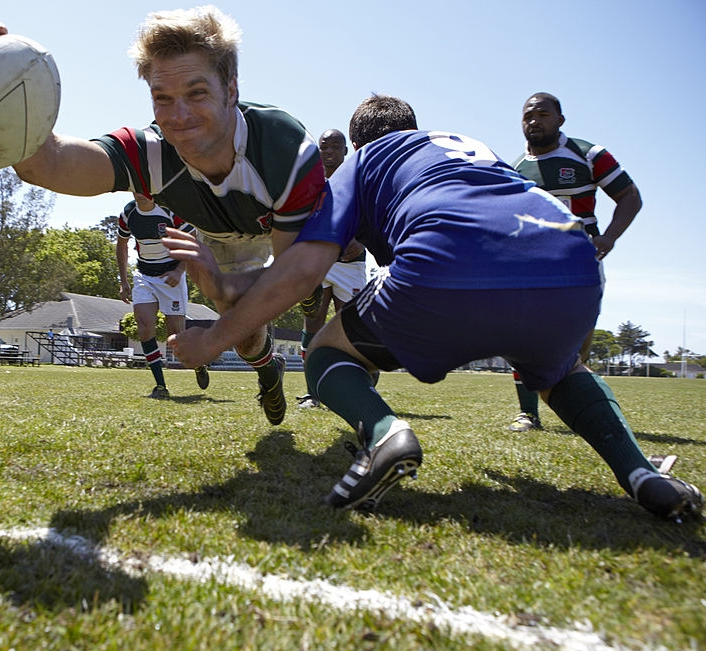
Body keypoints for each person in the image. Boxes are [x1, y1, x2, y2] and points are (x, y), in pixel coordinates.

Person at [163, 95, 701, 523]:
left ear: (355, 142)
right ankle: (639, 473)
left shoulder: (364, 162)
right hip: (570, 265)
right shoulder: (474, 147)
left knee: (326, 349)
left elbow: (302, 268)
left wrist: (217, 318)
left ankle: (384, 435)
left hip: (450, 264)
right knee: (561, 371)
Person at [0, 6, 325, 426]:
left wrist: (215, 336)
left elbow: (288, 273)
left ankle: (295, 299)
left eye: (197, 93)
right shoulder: (151, 151)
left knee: (269, 294)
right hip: (211, 234)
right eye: (163, 98)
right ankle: (268, 367)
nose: (179, 116)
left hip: (276, 239)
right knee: (245, 328)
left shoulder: (286, 148)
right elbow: (45, 165)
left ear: (231, 89)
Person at [505, 92, 643, 432]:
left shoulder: (589, 154)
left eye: (543, 114)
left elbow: (630, 196)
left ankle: (582, 408)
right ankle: (528, 414)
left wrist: (609, 236)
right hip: (533, 267)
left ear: (560, 120)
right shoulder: (515, 170)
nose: (534, 121)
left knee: (577, 342)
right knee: (520, 336)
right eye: (527, 116)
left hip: (580, 262)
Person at [296, 129, 369, 409]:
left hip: (350, 265)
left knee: (350, 327)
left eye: (334, 147)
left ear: (345, 150)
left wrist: (361, 241)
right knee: (312, 322)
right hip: (318, 261)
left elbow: (372, 214)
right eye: (323, 147)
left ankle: (356, 388)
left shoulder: (357, 177)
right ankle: (312, 392)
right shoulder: (311, 180)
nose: (328, 152)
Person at [117, 192, 208, 398]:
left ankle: (198, 363)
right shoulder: (128, 213)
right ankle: (160, 386)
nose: (140, 193)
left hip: (171, 275)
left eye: (144, 187)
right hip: (144, 275)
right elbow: (122, 245)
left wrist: (179, 271)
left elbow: (192, 242)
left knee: (176, 337)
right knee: (144, 326)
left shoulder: (170, 211)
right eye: (135, 188)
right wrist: (123, 281)